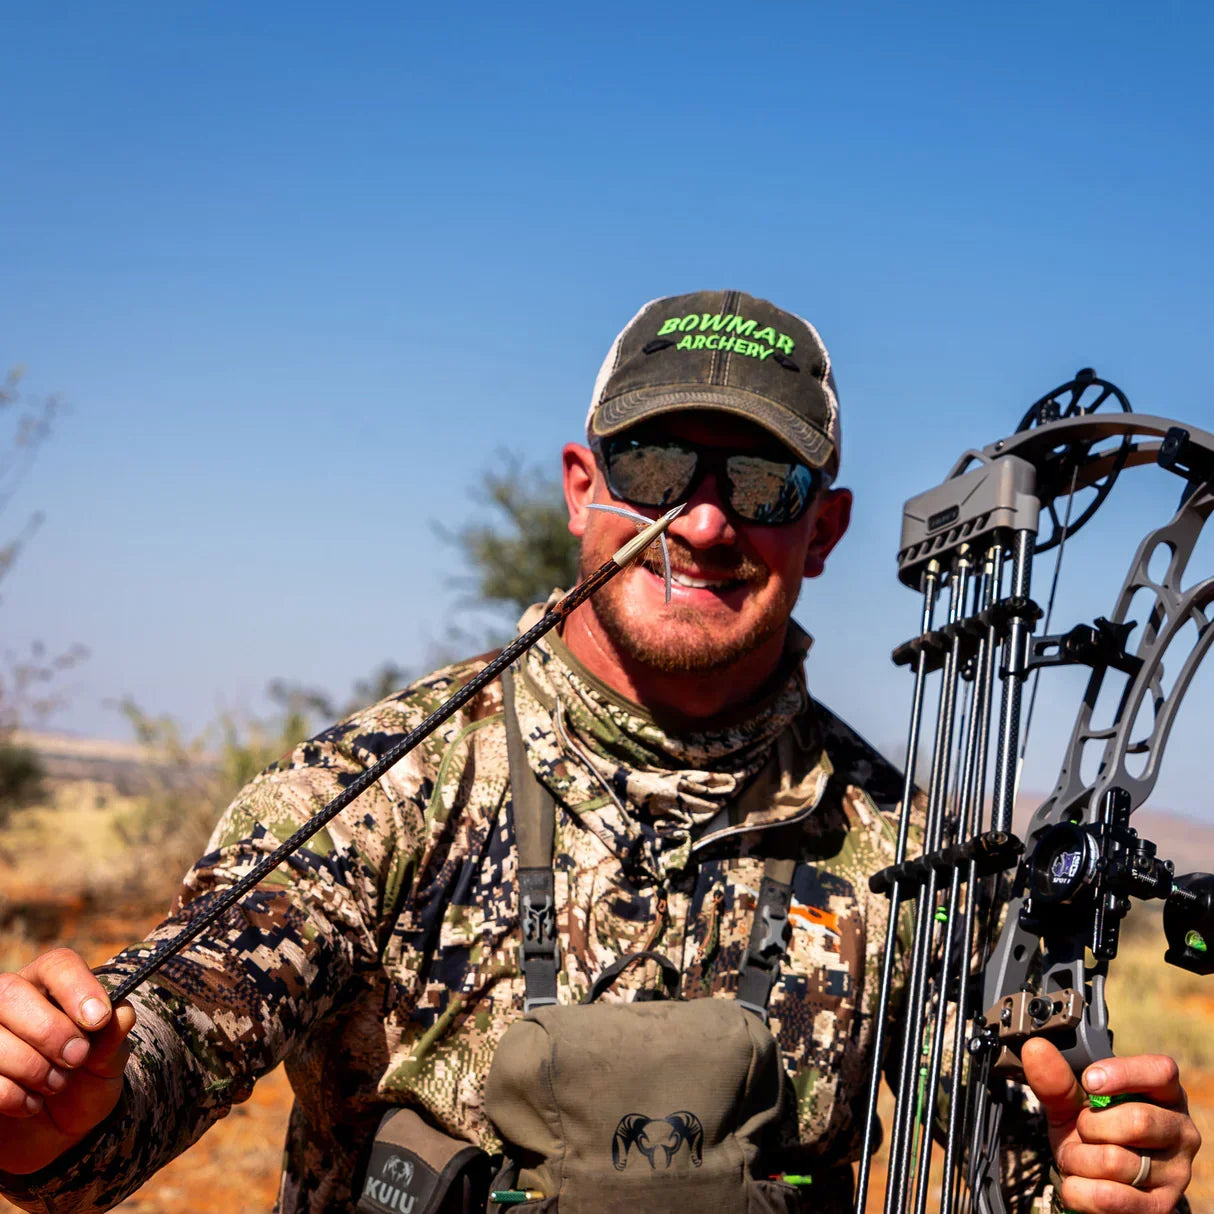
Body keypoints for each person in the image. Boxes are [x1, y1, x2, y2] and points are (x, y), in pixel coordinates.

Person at [0, 291, 1200, 1214]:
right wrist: (62, 1090)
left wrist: (1099, 1168)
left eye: (762, 480)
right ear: (584, 489)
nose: (705, 517)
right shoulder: (384, 783)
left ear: (821, 529)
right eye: (656, 467)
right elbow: (161, 1043)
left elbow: (1016, 1147)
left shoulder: (906, 848)